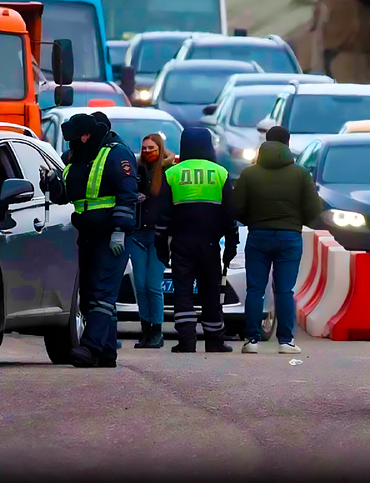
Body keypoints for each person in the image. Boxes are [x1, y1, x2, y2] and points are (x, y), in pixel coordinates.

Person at [43, 112, 139, 367]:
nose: (72, 144)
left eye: (77, 138)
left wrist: (120, 229)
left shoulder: (116, 153)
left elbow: (127, 193)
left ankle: (89, 347)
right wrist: (52, 182)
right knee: (89, 294)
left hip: (111, 235)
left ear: (87, 135)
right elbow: (64, 195)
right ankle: (106, 353)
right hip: (86, 233)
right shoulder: (78, 156)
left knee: (102, 292)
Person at [232, 126, 322, 355]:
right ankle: (286, 341)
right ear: (287, 144)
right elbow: (314, 208)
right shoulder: (300, 173)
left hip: (258, 235)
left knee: (255, 289)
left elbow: (236, 207)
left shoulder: (249, 173)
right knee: (284, 290)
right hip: (289, 236)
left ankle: (251, 340)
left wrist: (253, 219)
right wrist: (297, 221)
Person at [154, 127, 238, 353]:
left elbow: (162, 215)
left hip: (181, 242)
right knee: (210, 291)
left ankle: (187, 341)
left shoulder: (172, 173)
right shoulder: (220, 173)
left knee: (183, 292)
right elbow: (230, 215)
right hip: (210, 243)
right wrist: (231, 245)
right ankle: (215, 341)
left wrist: (161, 246)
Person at [128, 133, 173, 349]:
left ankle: (157, 330)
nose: (147, 151)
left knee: (153, 285)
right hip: (136, 233)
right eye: (144, 147)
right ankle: (145, 329)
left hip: (158, 235)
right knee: (140, 285)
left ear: (160, 148)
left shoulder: (168, 172)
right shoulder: (135, 169)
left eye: (151, 148)